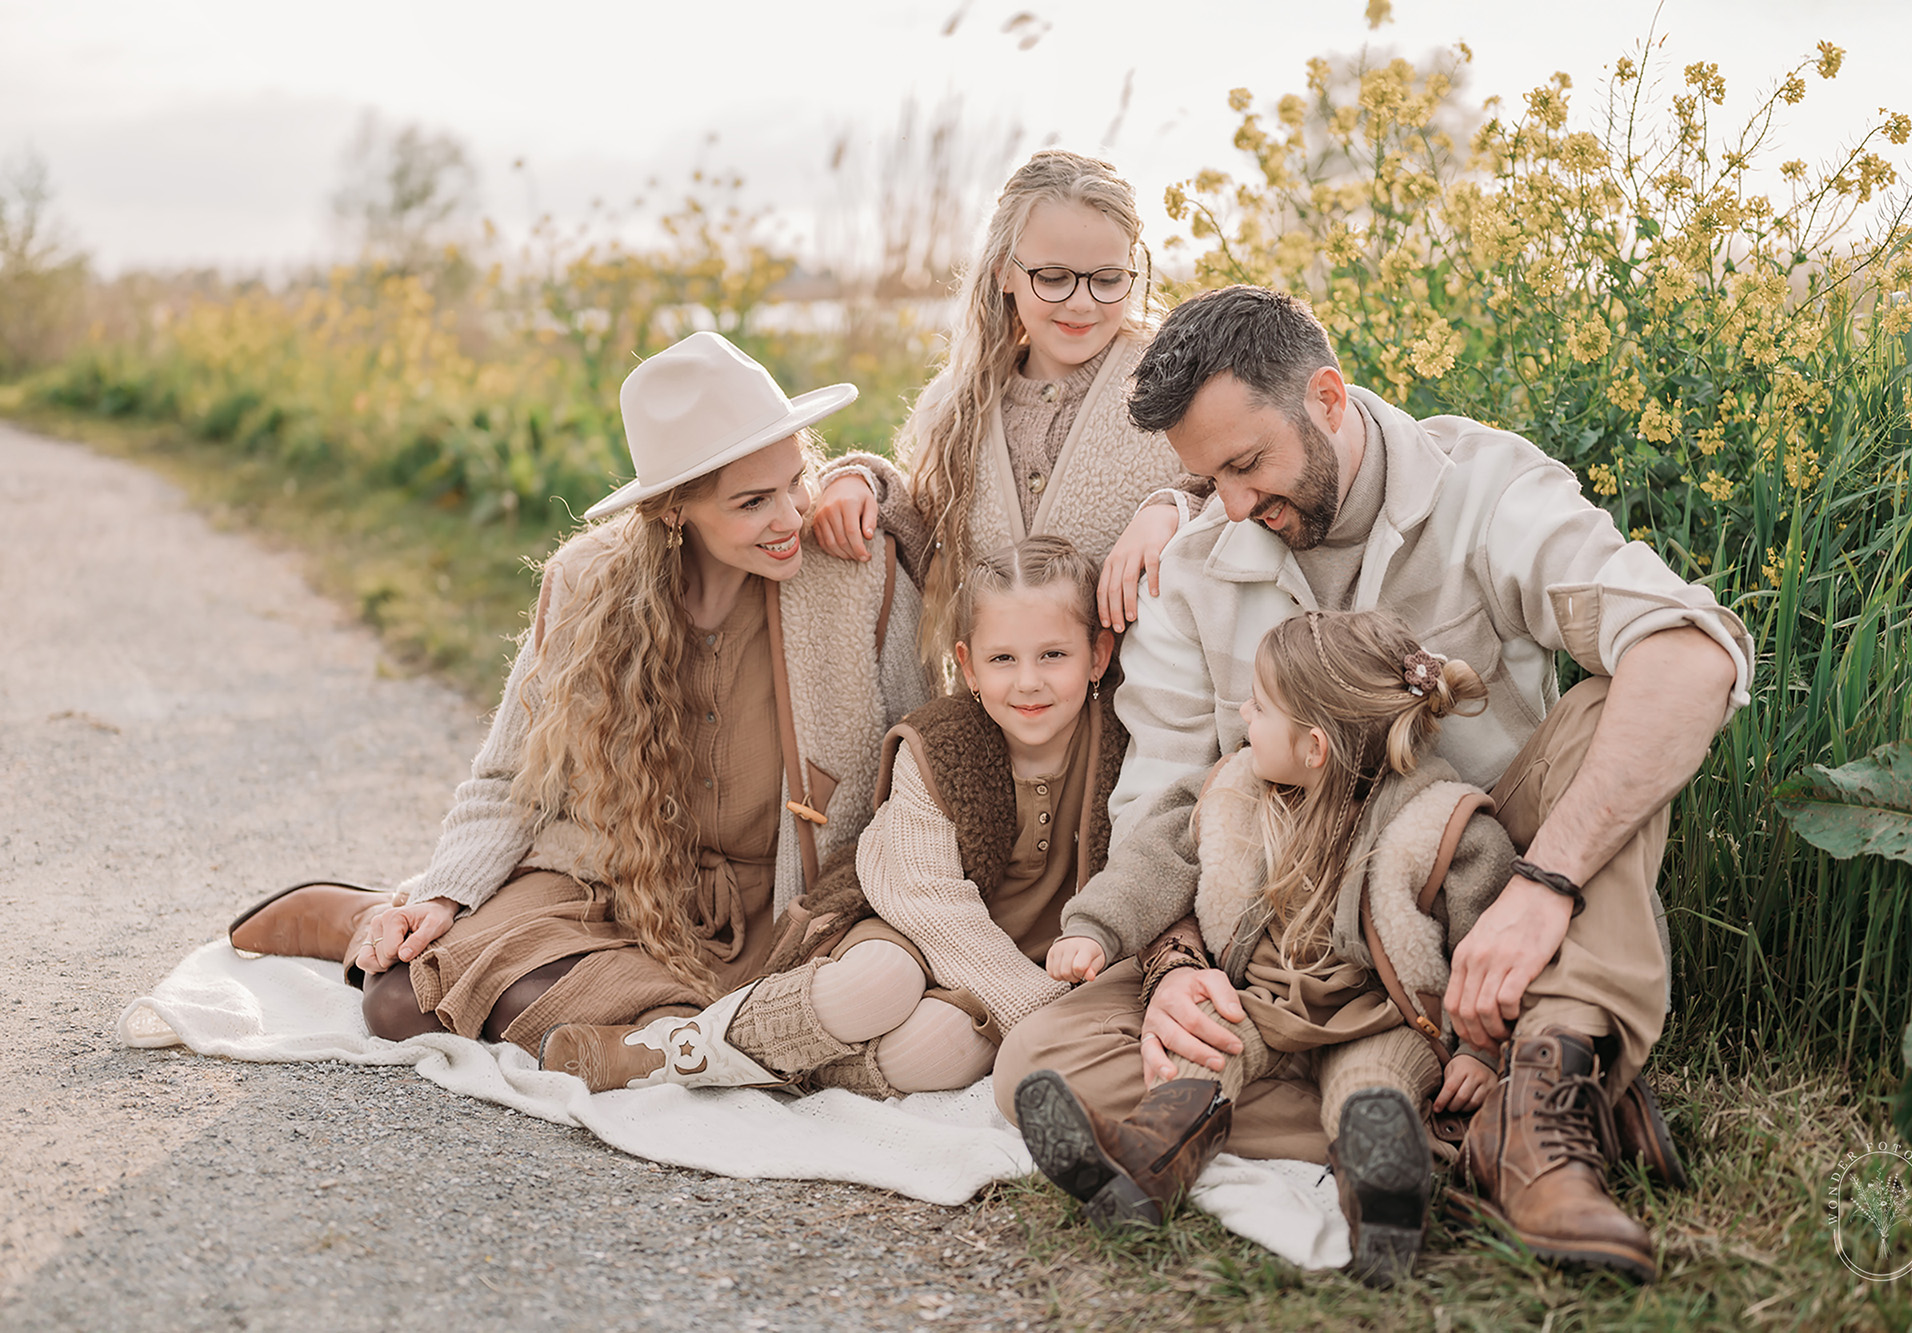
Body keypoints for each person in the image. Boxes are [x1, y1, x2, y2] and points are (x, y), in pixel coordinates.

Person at [993, 285, 1752, 1285]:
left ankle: (1545, 1081)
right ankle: (1472, 1119)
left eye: (1244, 463)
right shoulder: (1197, 557)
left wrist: (1542, 887)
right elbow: (1163, 793)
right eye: (1200, 479)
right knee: (1034, 1066)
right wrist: (1175, 962)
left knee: (1619, 700)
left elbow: (1691, 652)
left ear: (1327, 397)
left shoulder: (1483, 490)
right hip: (1286, 935)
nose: (1228, 505)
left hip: (1466, 882)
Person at [227, 331, 924, 1061]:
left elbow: (919, 753)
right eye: (753, 502)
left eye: (797, 479)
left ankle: (645, 1036)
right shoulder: (587, 586)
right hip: (617, 888)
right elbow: (510, 779)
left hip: (784, 910)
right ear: (673, 511)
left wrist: (864, 478)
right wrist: (445, 893)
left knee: (762, 1020)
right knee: (403, 1002)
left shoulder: (853, 573)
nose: (789, 517)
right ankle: (383, 916)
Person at [1016, 610, 1513, 1286]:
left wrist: (1483, 1050)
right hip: (1265, 1002)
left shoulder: (1442, 825)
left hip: (1375, 1016)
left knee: (1373, 1090)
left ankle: (1383, 1199)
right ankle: (1145, 1159)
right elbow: (1155, 860)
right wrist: (1093, 927)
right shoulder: (1235, 789)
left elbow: (1488, 945)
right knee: (1203, 1047)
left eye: (1259, 703)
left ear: (1313, 747)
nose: (1243, 710)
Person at [538, 535, 1125, 1097]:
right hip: (909, 926)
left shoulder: (1124, 749)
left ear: (1097, 655)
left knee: (934, 1049)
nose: (1028, 681)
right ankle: (669, 1051)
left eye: (1054, 655)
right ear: (968, 668)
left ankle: (785, 1068)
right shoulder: (943, 748)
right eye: (1004, 658)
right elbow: (929, 902)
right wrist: (1043, 1010)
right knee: (879, 984)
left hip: (1035, 964)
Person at [809, 148, 1191, 680]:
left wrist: (1175, 508)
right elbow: (928, 548)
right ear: (1002, 274)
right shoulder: (955, 409)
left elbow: (1240, 496)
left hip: (1145, 727)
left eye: (1107, 280)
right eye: (1054, 277)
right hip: (1004, 725)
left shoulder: (1173, 387)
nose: (1081, 303)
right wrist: (861, 483)